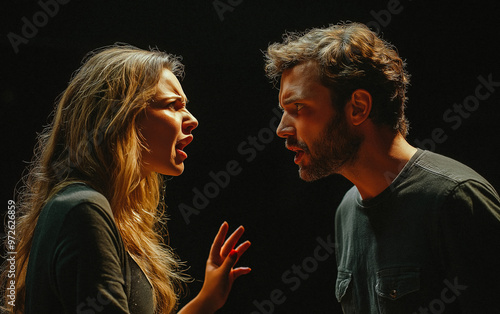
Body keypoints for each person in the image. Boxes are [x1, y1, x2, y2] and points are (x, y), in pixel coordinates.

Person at [265, 22, 500, 313]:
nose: (281, 129)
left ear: (358, 107)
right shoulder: (347, 209)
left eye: (297, 108)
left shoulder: (455, 199)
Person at [1, 44, 251, 313]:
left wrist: (205, 302)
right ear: (121, 117)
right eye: (173, 105)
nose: (192, 120)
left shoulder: (85, 206)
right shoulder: (84, 209)